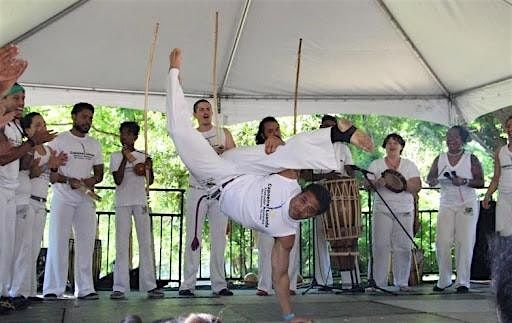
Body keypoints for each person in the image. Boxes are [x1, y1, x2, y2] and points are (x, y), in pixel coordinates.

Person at [166, 48, 373, 322]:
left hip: (218, 178)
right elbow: (290, 152)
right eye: (304, 200)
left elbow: (281, 275)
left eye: (307, 210)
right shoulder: (290, 181)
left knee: (179, 132)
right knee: (286, 157)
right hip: (245, 164)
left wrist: (289, 317)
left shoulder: (286, 234)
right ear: (302, 193)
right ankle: (339, 134)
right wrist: (277, 141)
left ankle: (175, 81)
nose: (301, 207)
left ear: (309, 216)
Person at [0, 85, 55, 314]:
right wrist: (32, 143)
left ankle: (6, 293)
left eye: (23, 97)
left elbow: (19, 161)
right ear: (3, 98)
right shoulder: (3, 125)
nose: (21, 101)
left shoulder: (13, 126)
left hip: (11, 192)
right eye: (16, 97)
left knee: (9, 248)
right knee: (4, 246)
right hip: (3, 189)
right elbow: (3, 158)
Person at [43, 102, 104, 300]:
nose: (88, 121)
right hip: (63, 197)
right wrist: (68, 180)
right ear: (74, 117)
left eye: (91, 118)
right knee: (58, 241)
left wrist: (90, 180)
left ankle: (85, 289)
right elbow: (51, 174)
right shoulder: (58, 141)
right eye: (85, 117)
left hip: (85, 199)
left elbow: (100, 172)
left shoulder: (95, 144)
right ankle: (53, 289)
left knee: (86, 243)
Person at [179, 99, 236, 297]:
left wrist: (224, 154)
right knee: (193, 237)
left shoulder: (223, 133)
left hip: (219, 189)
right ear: (195, 114)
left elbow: (234, 157)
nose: (205, 112)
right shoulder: (190, 136)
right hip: (197, 189)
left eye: (208, 109)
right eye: (201, 109)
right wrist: (212, 154)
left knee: (219, 238)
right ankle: (187, 284)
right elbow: (190, 160)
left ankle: (219, 284)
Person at [427, 125, 484, 293]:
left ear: (462, 140)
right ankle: (444, 279)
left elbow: (480, 181)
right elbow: (430, 176)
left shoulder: (470, 158)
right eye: (448, 136)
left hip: (466, 204)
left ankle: (462, 281)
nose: (451, 140)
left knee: (464, 241)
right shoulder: (440, 158)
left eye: (455, 137)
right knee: (442, 241)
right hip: (446, 203)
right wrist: (432, 180)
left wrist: (464, 181)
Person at [110, 121, 164, 299]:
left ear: (134, 136)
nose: (123, 137)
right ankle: (119, 287)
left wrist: (149, 166)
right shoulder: (115, 156)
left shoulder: (143, 155)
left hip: (140, 201)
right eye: (121, 133)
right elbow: (118, 180)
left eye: (127, 133)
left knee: (145, 243)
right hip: (122, 202)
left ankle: (149, 285)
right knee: (122, 244)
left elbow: (150, 181)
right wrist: (125, 157)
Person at [301, 114, 356, 289]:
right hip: (319, 194)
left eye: (331, 127)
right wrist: (326, 176)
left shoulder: (344, 148)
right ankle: (324, 281)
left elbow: (351, 173)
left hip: (341, 198)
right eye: (325, 126)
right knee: (320, 237)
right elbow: (305, 175)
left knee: (345, 238)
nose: (328, 130)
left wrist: (343, 177)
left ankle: (349, 282)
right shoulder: (312, 148)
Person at [20, 112, 67, 301]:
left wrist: (54, 166)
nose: (42, 128)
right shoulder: (26, 149)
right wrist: (48, 165)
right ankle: (19, 291)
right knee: (24, 247)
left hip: (41, 201)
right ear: (28, 130)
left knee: (34, 248)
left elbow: (54, 179)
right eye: (37, 125)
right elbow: (31, 173)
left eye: (44, 124)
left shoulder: (48, 150)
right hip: (28, 200)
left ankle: (30, 290)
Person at [366, 133, 421, 291]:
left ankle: (402, 282)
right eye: (389, 143)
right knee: (381, 246)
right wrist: (378, 182)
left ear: (401, 146)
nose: (392, 145)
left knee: (403, 246)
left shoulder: (409, 165)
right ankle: (378, 283)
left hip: (404, 210)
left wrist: (400, 182)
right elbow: (367, 185)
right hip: (382, 209)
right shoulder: (376, 164)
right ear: (385, 146)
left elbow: (417, 186)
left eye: (395, 143)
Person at [253, 116, 300, 297]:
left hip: (290, 202)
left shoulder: (289, 150)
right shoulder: (258, 152)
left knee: (291, 244)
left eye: (277, 129)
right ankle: (264, 285)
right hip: (268, 201)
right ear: (263, 135)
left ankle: (290, 284)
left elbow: (298, 172)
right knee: (266, 245)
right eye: (270, 131)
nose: (275, 133)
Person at [483, 115, 512, 237]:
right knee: (505, 235)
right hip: (504, 198)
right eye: (508, 126)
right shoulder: (500, 151)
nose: (510, 129)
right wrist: (488, 195)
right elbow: (496, 178)